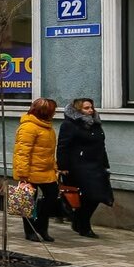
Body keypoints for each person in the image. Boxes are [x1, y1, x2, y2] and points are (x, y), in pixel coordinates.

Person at [57, 98, 113, 239]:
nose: (90, 110)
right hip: (79, 165)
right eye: (86, 108)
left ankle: (79, 220)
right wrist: (62, 166)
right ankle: (83, 225)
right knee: (90, 195)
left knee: (100, 196)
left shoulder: (95, 123)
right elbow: (63, 146)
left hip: (96, 164)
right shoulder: (69, 125)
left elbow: (101, 145)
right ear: (78, 110)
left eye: (91, 107)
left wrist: (105, 164)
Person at [12, 97, 60, 242]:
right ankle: (30, 231)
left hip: (46, 171)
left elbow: (49, 151)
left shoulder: (47, 127)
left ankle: (41, 226)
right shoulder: (28, 127)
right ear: (45, 112)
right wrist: (22, 175)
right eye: (53, 111)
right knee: (28, 202)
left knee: (52, 196)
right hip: (30, 172)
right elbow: (22, 152)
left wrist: (55, 167)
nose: (54, 113)